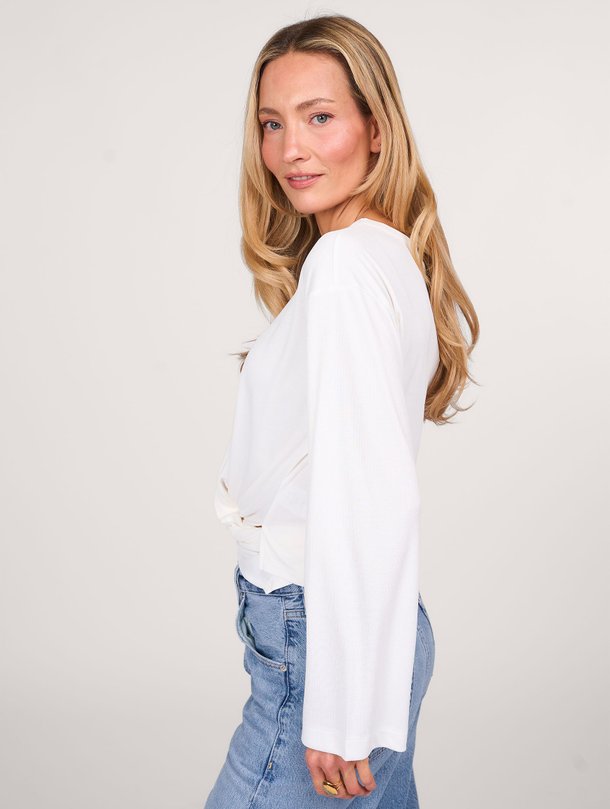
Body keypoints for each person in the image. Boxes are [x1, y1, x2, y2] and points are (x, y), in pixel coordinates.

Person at [204, 13, 479, 808]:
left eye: (319, 117)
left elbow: (369, 494)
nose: (291, 148)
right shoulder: (380, 254)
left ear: (376, 129)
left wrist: (338, 709)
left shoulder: (348, 266)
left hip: (319, 646)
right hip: (357, 634)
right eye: (272, 124)